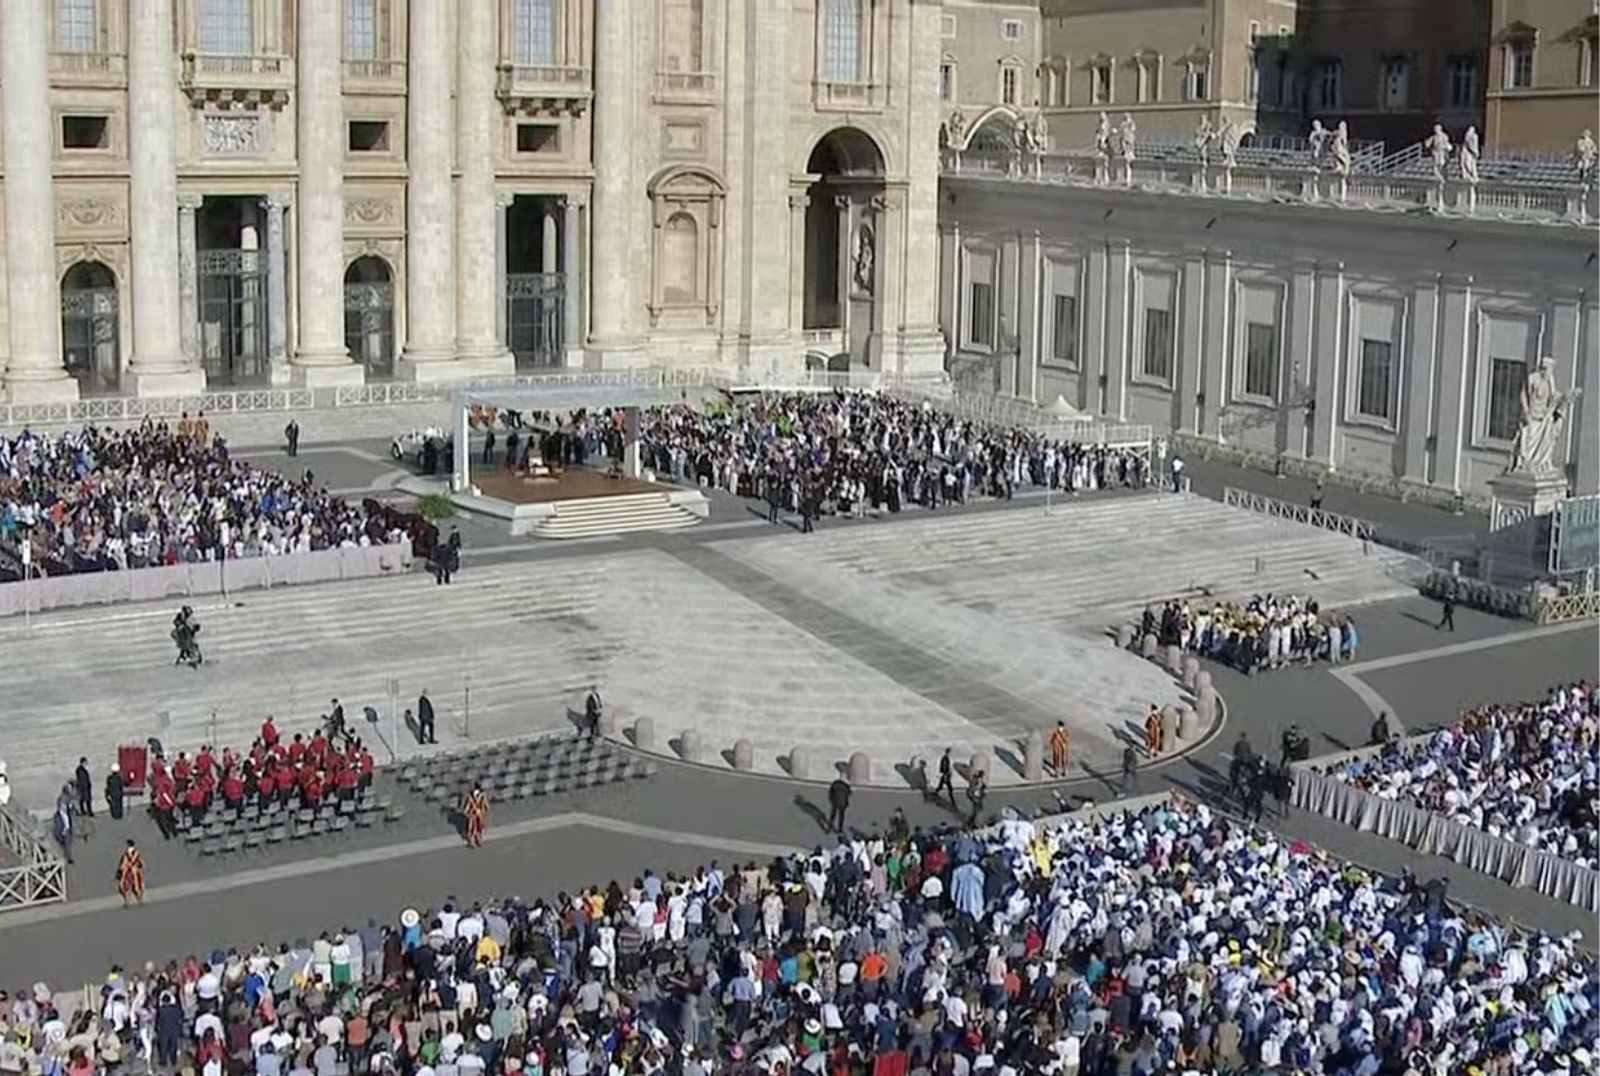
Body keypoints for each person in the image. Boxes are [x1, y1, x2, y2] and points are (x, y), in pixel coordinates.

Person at [117, 839, 146, 906]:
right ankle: (140, 900)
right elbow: (141, 862)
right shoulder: (136, 853)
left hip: (127, 872)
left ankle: (127, 902)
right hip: (135, 870)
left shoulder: (126, 854)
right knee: (137, 885)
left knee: (125, 886)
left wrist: (120, 870)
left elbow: (123, 863)